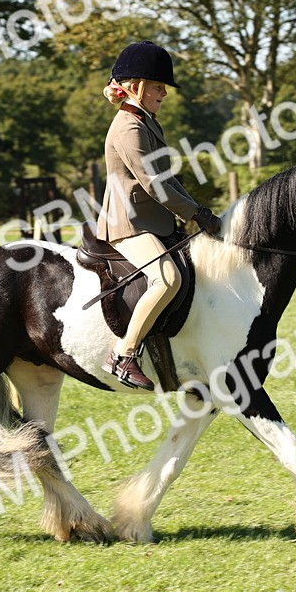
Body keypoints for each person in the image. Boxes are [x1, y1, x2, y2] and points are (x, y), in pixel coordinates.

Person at [96, 40, 222, 391]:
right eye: (157, 86)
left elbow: (168, 179)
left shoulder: (147, 121)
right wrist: (195, 213)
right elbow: (153, 185)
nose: (164, 93)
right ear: (135, 87)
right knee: (167, 279)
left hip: (153, 221)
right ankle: (123, 354)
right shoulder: (129, 127)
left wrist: (198, 211)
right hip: (129, 223)